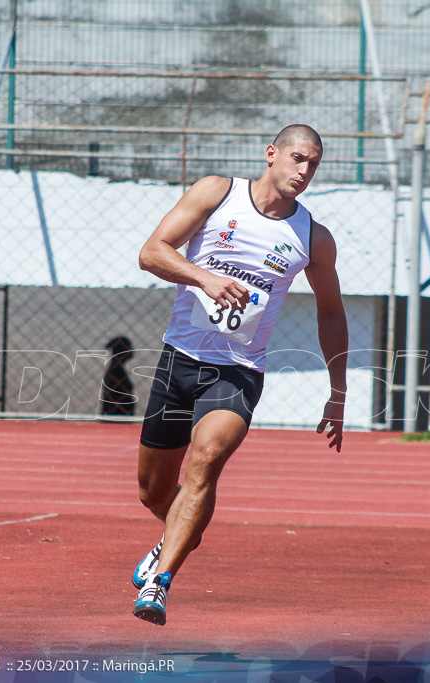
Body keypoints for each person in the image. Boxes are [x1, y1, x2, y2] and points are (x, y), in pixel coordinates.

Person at [130, 124, 349, 625]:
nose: (304, 171)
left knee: (204, 463)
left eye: (313, 164)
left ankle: (159, 583)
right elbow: (152, 252)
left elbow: (332, 312)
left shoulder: (313, 238)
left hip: (238, 371)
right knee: (153, 493)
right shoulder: (217, 193)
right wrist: (205, 277)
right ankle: (174, 538)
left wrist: (338, 392)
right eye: (297, 158)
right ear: (271, 154)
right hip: (179, 362)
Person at [100, 335, 136, 417]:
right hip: (118, 417)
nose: (132, 351)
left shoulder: (115, 370)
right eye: (128, 348)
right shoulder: (116, 372)